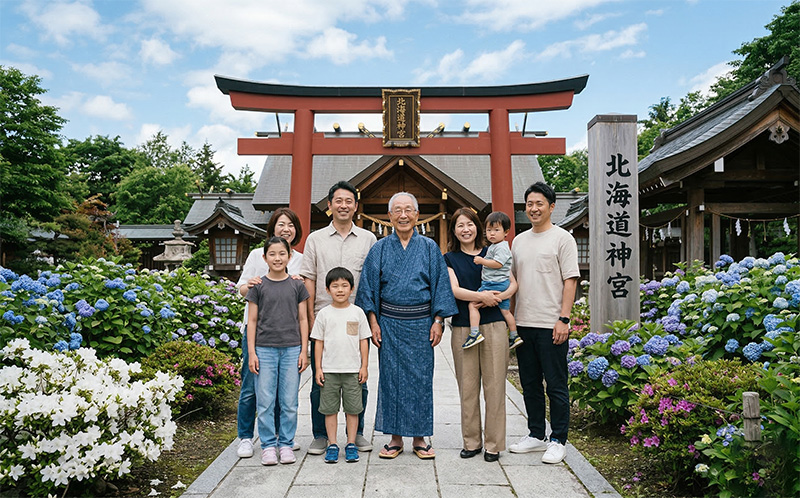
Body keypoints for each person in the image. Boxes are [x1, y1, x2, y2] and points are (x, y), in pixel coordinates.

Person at [355, 192, 458, 460]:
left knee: (420, 380)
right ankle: (395, 438)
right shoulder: (379, 248)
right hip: (389, 324)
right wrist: (373, 322)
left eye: (408, 210)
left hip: (421, 323)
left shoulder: (429, 248)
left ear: (417, 214)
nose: (403, 215)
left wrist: (438, 321)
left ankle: (420, 438)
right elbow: (368, 288)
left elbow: (440, 285)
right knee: (391, 380)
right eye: (397, 210)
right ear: (389, 216)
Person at [300, 181, 377, 455]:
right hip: (325, 317)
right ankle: (321, 435)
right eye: (338, 201)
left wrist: (372, 318)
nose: (343, 205)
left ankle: (357, 434)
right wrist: (310, 316)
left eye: (349, 201)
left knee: (359, 378)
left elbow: (372, 281)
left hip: (357, 317)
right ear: (330, 205)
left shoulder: (368, 239)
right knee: (321, 379)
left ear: (356, 206)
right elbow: (309, 278)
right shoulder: (315, 239)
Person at [509, 182, 579, 464]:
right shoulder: (518, 241)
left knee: (556, 384)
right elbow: (512, 282)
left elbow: (570, 280)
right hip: (523, 323)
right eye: (530, 204)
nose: (534, 209)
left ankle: (559, 439)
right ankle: (536, 434)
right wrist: (510, 321)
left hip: (552, 324)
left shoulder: (563, 239)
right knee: (530, 383)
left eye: (539, 204)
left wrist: (564, 318)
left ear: (551, 207)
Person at [445, 208, 518, 462]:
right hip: (463, 327)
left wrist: (498, 297)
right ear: (454, 230)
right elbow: (454, 290)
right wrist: (481, 297)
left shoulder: (494, 251)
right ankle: (472, 441)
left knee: (495, 386)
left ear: (478, 227)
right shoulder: (449, 258)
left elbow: (513, 283)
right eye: (460, 225)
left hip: (495, 324)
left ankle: (494, 444)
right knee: (467, 386)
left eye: (470, 224)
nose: (466, 229)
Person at [235, 207, 304, 458]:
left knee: (282, 392)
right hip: (258, 332)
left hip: (287, 334)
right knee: (251, 386)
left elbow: (301, 294)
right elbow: (240, 288)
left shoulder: (300, 258)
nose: (286, 229)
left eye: (291, 225)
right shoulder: (258, 255)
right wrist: (251, 285)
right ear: (272, 227)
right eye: (281, 224)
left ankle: (279, 438)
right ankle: (245, 436)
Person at [246, 236, 310, 466]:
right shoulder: (258, 287)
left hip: (292, 349)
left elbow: (303, 319)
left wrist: (304, 350)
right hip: (264, 349)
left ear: (289, 256)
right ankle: (267, 446)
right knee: (265, 401)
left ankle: (286, 444)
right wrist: (252, 353)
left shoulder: (297, 285)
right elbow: (252, 321)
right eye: (272, 254)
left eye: (282, 253)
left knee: (289, 401)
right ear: (265, 258)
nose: (277, 258)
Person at [311, 267, 371, 464]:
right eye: (335, 286)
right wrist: (318, 368)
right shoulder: (324, 314)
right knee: (330, 409)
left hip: (353, 371)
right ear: (327, 290)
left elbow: (363, 341)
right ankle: (333, 444)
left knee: (353, 409)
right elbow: (318, 342)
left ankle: (351, 443)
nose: (340, 290)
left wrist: (364, 366)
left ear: (352, 289)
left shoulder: (358, 312)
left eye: (344, 285)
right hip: (329, 371)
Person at [462, 211, 520, 350]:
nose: (492, 233)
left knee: (473, 305)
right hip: (501, 284)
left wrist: (482, 261)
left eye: (496, 230)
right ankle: (514, 336)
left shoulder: (501, 247)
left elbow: (498, 264)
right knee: (505, 311)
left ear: (506, 232)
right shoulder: (496, 246)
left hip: (493, 284)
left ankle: (474, 333)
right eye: (489, 230)